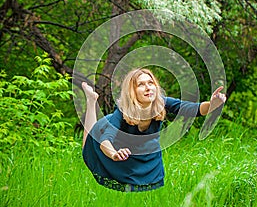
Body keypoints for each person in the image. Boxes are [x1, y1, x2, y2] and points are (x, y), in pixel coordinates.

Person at [81, 68, 226, 192]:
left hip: (139, 148)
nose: (148, 87)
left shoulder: (162, 102)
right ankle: (91, 100)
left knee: (145, 187)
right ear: (133, 92)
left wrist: (213, 104)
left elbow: (193, 109)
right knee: (87, 145)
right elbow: (106, 139)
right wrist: (114, 154)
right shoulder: (122, 111)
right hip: (106, 136)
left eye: (151, 83)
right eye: (141, 85)